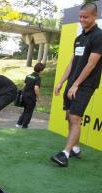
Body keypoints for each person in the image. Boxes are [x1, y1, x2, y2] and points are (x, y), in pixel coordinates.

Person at [51, 2, 102, 167]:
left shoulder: (99, 36)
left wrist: (76, 85)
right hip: (72, 83)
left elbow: (91, 65)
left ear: (95, 16)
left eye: (85, 17)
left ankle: (65, 154)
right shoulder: (79, 38)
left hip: (85, 85)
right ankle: (76, 149)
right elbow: (72, 63)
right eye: (80, 16)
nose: (82, 19)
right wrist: (61, 82)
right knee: (69, 117)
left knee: (74, 117)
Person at [16, 63, 45, 128]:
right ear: (40, 70)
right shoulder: (38, 78)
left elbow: (24, 85)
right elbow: (36, 88)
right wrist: (38, 97)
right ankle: (25, 126)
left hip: (24, 95)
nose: (43, 71)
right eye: (43, 70)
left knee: (26, 110)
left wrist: (22, 94)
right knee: (29, 112)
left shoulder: (28, 76)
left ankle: (19, 123)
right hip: (31, 97)